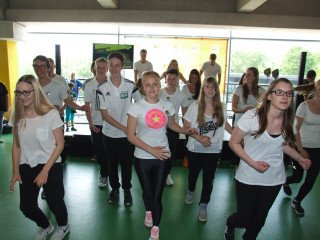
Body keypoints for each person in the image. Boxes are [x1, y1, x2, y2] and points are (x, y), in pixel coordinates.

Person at [224, 78, 311, 240]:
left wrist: (299, 158)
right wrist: (253, 164)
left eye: (289, 93)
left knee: (259, 220)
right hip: (248, 177)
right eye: (279, 92)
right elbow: (233, 142)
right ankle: (230, 223)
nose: (284, 97)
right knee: (243, 218)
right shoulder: (252, 116)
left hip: (274, 179)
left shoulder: (289, 121)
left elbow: (283, 145)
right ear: (269, 95)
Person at [127, 71, 196, 240]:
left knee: (157, 195)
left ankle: (155, 229)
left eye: (155, 84)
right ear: (143, 87)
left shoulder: (167, 105)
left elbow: (172, 124)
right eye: (148, 84)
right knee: (147, 192)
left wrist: (185, 130)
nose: (151, 88)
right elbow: (131, 136)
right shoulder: (136, 107)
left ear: (160, 85)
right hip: (142, 157)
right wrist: (152, 150)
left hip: (163, 155)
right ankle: (148, 211)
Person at [10, 74, 70, 240]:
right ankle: (46, 225)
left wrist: (45, 170)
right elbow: (16, 145)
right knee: (26, 207)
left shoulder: (50, 113)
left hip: (49, 163)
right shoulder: (17, 115)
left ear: (36, 92)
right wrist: (15, 171)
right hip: (26, 164)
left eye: (27, 92)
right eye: (19, 93)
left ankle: (64, 225)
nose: (22, 97)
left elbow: (60, 145)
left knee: (54, 201)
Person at [183, 77, 233, 222]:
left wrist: (237, 135)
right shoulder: (195, 106)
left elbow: (226, 125)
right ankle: (191, 191)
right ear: (203, 89)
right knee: (193, 175)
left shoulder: (222, 107)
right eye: (207, 87)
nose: (210, 90)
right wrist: (199, 137)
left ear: (216, 90)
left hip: (213, 151)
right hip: (195, 149)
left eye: (213, 87)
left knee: (208, 179)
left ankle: (203, 205)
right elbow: (186, 128)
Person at [98, 52, 140, 206]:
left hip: (127, 136)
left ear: (122, 66)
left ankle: (127, 190)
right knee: (112, 165)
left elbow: (141, 105)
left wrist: (134, 128)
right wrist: (124, 127)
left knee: (127, 165)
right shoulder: (101, 88)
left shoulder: (131, 86)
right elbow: (104, 115)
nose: (114, 68)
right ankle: (115, 189)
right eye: (111, 65)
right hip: (109, 134)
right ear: (108, 66)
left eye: (117, 65)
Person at [282, 80, 320, 215]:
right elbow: (295, 129)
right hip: (301, 145)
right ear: (315, 88)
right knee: (298, 177)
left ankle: (297, 201)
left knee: (311, 179)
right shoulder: (304, 106)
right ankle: (286, 181)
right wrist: (301, 149)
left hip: (318, 149)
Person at [159, 68, 188, 186]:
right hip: (158, 127)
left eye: (174, 79)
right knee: (159, 151)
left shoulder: (181, 94)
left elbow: (186, 114)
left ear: (177, 79)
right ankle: (158, 174)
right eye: (169, 78)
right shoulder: (160, 92)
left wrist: (187, 129)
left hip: (173, 127)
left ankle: (167, 175)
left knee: (170, 153)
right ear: (165, 79)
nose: (171, 81)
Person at [84, 57, 109, 188]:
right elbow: (87, 106)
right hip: (96, 124)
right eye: (98, 67)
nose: (100, 69)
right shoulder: (89, 85)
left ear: (107, 69)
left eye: (103, 67)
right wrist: (90, 123)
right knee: (99, 152)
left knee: (110, 152)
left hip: (111, 124)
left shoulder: (112, 83)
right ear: (94, 68)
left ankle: (107, 174)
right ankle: (104, 173)